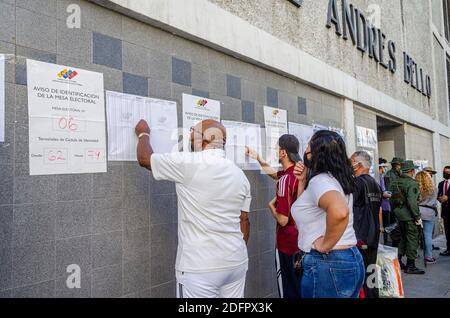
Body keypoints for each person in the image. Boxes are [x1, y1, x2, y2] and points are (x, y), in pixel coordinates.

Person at [135, 119, 252, 298]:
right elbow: (244, 219)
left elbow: (145, 159)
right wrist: (232, 252)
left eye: (193, 131)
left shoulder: (190, 163)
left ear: (204, 139)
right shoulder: (240, 175)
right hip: (236, 263)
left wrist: (143, 133)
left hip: (199, 268)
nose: (189, 135)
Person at [291, 130, 365, 298]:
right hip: (347, 258)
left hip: (328, 263)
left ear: (317, 153)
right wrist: (302, 181)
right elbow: (308, 213)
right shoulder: (336, 179)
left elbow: (339, 211)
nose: (306, 150)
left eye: (309, 145)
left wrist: (325, 245)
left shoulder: (321, 181)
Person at [245, 135, 301, 298]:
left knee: (287, 290)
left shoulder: (285, 180)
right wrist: (259, 158)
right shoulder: (298, 173)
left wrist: (271, 207)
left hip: (287, 244)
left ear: (283, 152)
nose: (275, 150)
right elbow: (276, 175)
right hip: (300, 242)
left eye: (276, 148)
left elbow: (283, 220)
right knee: (298, 288)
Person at [351, 151, 382, 298]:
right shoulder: (375, 184)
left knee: (360, 275)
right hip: (373, 235)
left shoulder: (357, 183)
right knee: (371, 271)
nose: (350, 164)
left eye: (351, 161)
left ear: (359, 164)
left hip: (360, 236)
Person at [390, 160, 425, 274]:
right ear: (411, 171)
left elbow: (392, 199)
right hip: (409, 216)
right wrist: (417, 217)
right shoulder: (411, 183)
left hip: (399, 215)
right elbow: (412, 202)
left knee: (402, 239)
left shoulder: (395, 182)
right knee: (412, 240)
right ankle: (411, 265)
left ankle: (398, 262)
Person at [415, 171, 438, 264]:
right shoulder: (434, 189)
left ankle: (415, 254)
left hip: (418, 212)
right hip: (429, 212)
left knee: (416, 235)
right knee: (427, 235)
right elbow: (435, 201)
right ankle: (429, 256)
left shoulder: (416, 188)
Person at [385, 157, 404, 248]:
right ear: (395, 165)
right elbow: (389, 190)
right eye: (399, 165)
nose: (400, 166)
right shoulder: (388, 174)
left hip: (401, 203)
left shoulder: (400, 174)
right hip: (393, 203)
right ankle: (395, 244)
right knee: (395, 225)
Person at [379, 159, 393, 245]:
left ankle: (386, 242)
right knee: (384, 226)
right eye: (384, 167)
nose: (385, 169)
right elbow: (382, 192)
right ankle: (385, 243)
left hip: (386, 206)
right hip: (382, 206)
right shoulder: (378, 177)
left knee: (386, 226)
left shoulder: (382, 177)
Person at [438, 166, 450, 256]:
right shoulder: (441, 184)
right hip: (445, 212)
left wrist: (448, 198)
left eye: (447, 172)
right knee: (447, 231)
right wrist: (440, 198)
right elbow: (439, 195)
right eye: (444, 172)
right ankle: (448, 249)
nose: (445, 173)